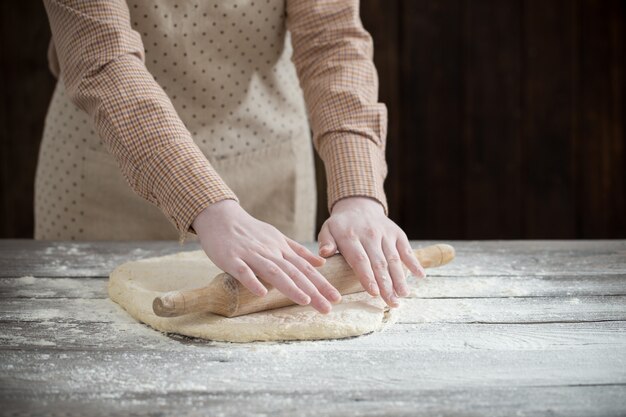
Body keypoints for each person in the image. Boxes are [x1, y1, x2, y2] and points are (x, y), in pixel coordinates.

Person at [38, 0, 425, 314]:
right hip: (105, 176)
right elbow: (103, 60)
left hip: (269, 175)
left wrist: (358, 194)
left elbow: (332, 42)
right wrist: (206, 203)